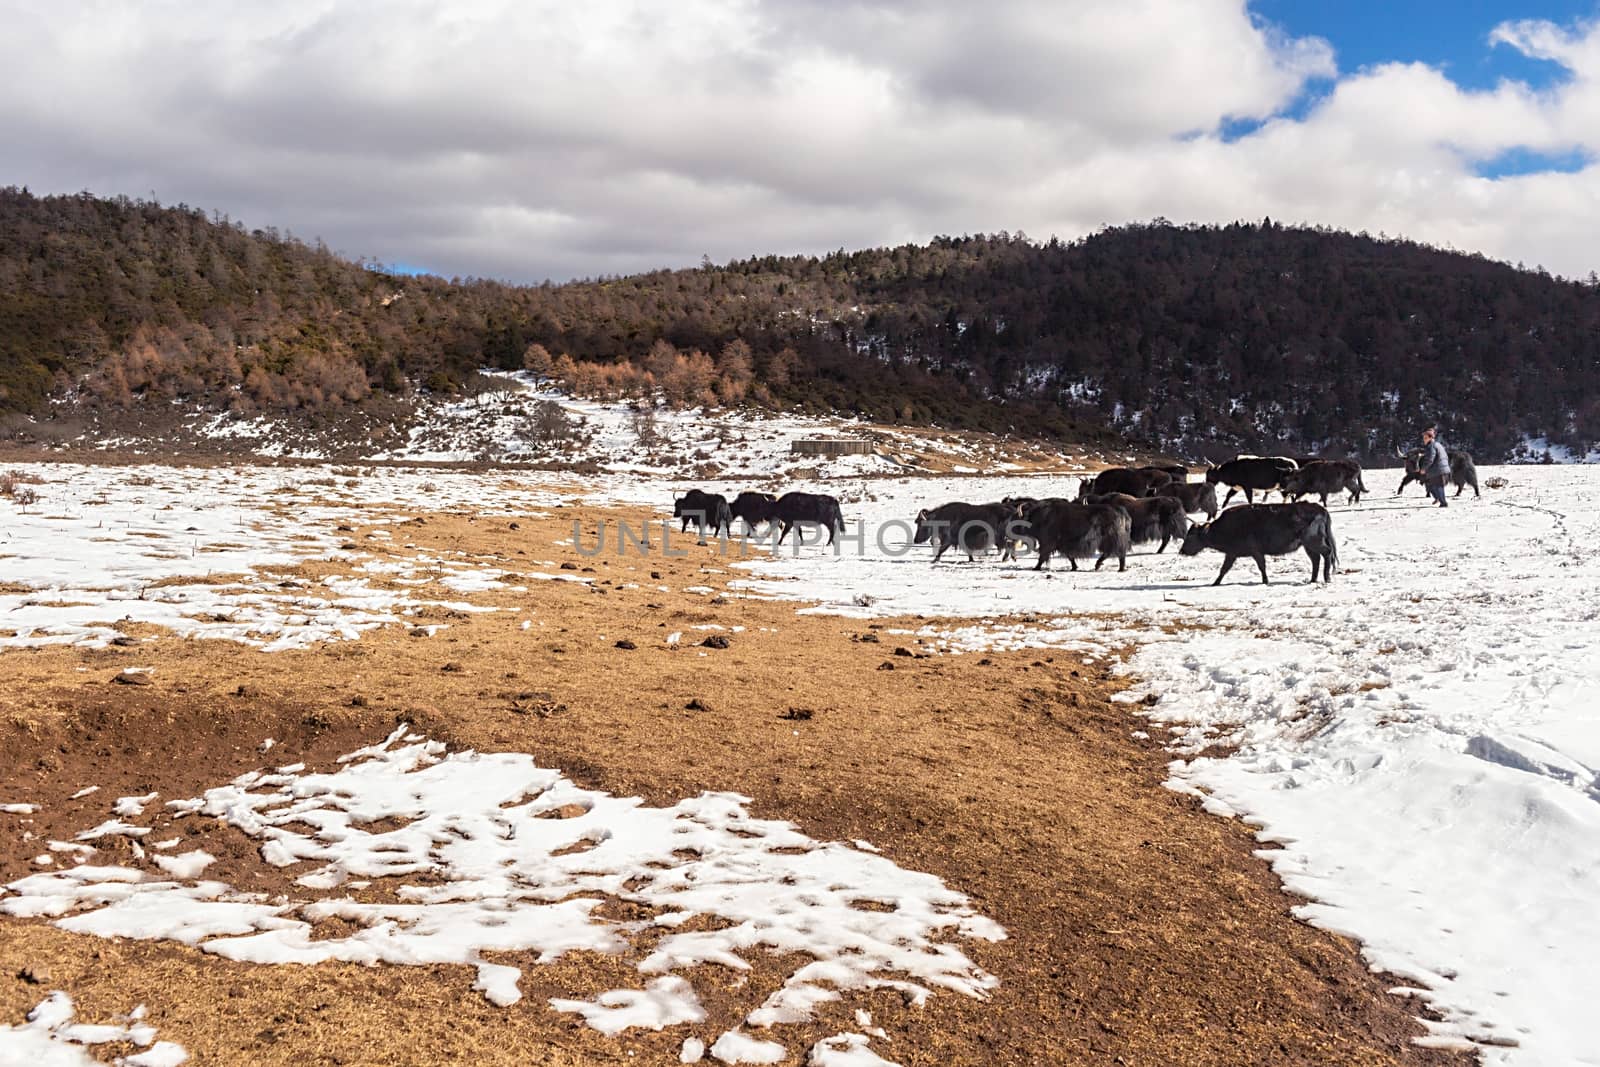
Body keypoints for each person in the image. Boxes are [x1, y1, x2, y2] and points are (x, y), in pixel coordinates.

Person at [1419, 426, 1450, 508]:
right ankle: (1439, 499)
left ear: (1430, 438)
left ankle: (1443, 502)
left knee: (1438, 486)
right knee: (1434, 486)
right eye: (1423, 438)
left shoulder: (1431, 446)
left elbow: (1430, 459)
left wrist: (1424, 469)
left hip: (1437, 470)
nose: (1424, 440)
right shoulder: (1437, 444)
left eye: (1425, 438)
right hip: (1441, 469)